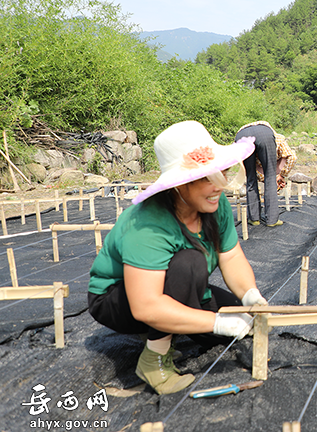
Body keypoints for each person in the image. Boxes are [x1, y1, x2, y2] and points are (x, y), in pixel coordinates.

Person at [87, 120, 268, 395]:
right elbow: (146, 305)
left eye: (220, 174)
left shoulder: (214, 206)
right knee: (189, 264)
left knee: (240, 319)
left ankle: (169, 327)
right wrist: (217, 322)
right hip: (120, 298)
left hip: (177, 285)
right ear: (178, 185)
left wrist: (250, 296)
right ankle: (155, 358)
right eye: (206, 178)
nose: (217, 186)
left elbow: (230, 258)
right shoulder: (149, 223)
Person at [235, 121, 296, 227]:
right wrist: (282, 175)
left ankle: (254, 219)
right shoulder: (279, 139)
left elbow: (256, 173)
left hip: (241, 137)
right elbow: (292, 157)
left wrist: (276, 177)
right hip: (264, 135)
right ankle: (272, 220)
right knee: (270, 177)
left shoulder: (263, 141)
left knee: (250, 178)